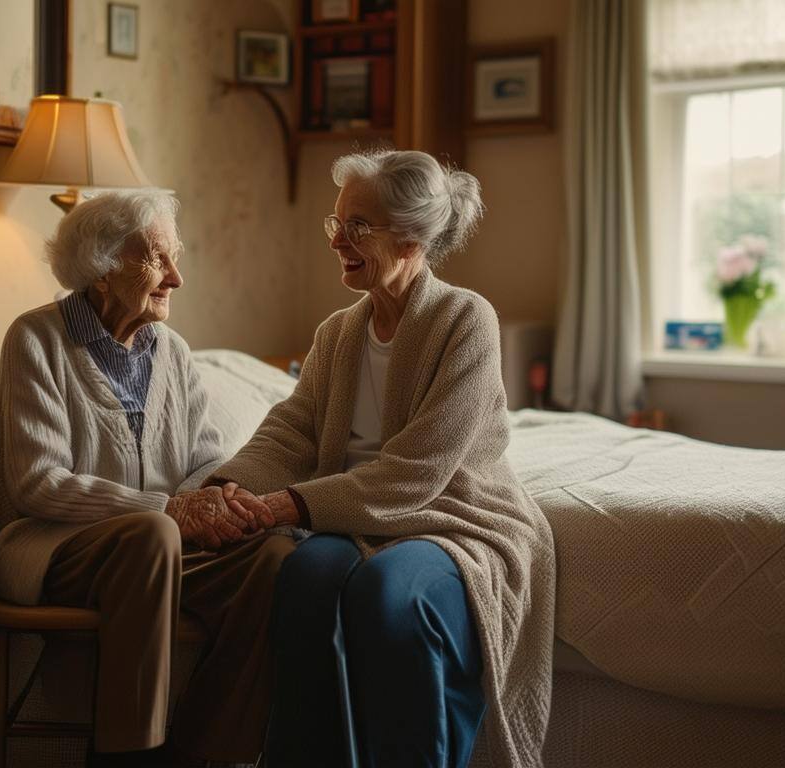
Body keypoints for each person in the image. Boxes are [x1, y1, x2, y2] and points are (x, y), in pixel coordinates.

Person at [209, 150, 556, 768]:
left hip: (448, 519)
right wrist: (228, 487)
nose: (338, 239)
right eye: (336, 223)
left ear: (411, 236)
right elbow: (291, 431)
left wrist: (284, 505)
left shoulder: (465, 319)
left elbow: (418, 471)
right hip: (352, 516)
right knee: (304, 579)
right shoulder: (338, 332)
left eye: (358, 226)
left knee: (389, 595)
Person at [0, 190, 295, 768]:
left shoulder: (173, 352)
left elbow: (206, 459)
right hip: (56, 548)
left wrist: (220, 499)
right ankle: (130, 757)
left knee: (273, 557)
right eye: (156, 258)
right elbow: (37, 481)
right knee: (154, 534)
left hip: (162, 551)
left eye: (175, 257)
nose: (176, 277)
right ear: (103, 270)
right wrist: (166, 508)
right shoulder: (35, 339)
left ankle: (205, 751)